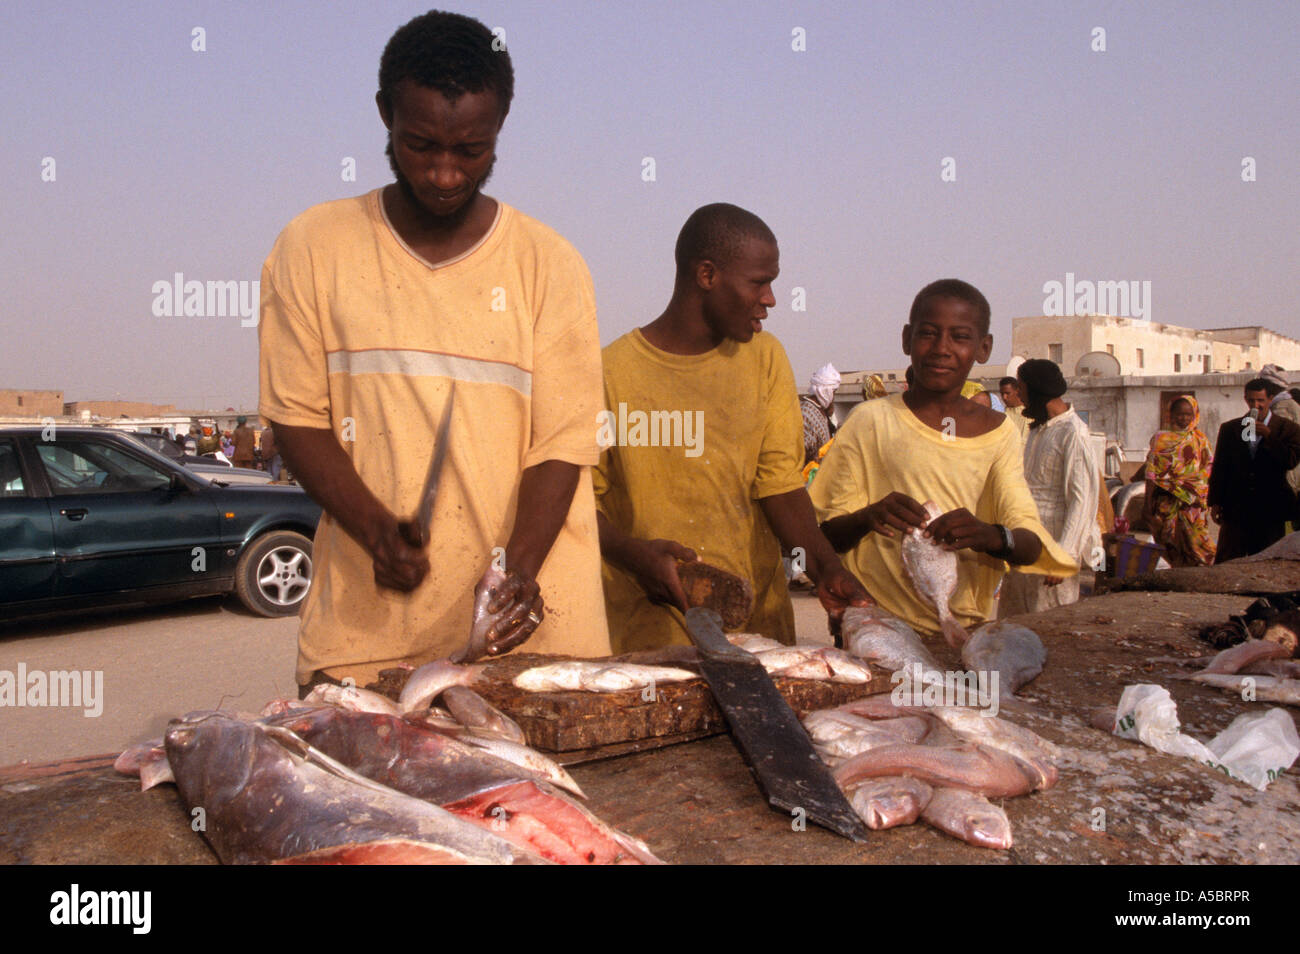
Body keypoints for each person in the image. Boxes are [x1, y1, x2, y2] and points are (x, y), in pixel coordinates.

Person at [258, 11, 609, 690]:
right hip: (367, 642)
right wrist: (375, 530)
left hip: (538, 643)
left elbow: (563, 446)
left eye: (471, 151)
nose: (445, 174)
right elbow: (296, 420)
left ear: (501, 125)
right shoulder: (314, 245)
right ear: (385, 113)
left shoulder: (551, 264)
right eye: (420, 145)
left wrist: (517, 574)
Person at [594, 203, 870, 651]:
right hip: (651, 637)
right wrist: (634, 557)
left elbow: (779, 484)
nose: (771, 299)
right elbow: (583, 499)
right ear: (707, 275)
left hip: (757, 633)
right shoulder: (610, 372)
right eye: (760, 282)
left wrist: (826, 567)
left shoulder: (766, 358)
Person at [812, 280, 1075, 642]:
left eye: (960, 337)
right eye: (929, 334)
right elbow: (825, 536)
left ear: (983, 348)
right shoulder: (869, 421)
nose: (941, 349)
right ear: (907, 339)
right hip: (875, 626)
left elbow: (1029, 543)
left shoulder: (1000, 433)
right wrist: (867, 516)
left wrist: (988, 536)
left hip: (961, 632)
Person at [999, 359, 1101, 614]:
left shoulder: (1073, 432)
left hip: (1054, 539)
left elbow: (1082, 500)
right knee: (1015, 620)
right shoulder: (1038, 431)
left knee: (1048, 620)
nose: (1019, 395)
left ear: (1037, 390)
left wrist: (1064, 555)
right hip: (1026, 538)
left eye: (1021, 388)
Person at [1208, 378, 1300, 561]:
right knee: (1229, 557)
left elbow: (1290, 461)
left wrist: (1269, 437)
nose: (1256, 405)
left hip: (1270, 507)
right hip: (1237, 507)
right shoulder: (1230, 429)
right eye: (1251, 401)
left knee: (1267, 558)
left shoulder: (1288, 429)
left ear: (1270, 399)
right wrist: (1215, 501)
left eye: (1260, 401)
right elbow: (1221, 466)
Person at [1141, 396, 1215, 566]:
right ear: (1171, 415)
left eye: (1188, 414)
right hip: (1166, 501)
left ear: (1195, 414)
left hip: (1193, 502)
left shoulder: (1200, 440)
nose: (1184, 418)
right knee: (1168, 539)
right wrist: (1147, 503)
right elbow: (1152, 472)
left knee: (1198, 541)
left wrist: (1191, 485)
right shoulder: (1160, 439)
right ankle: (1180, 572)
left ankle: (1205, 572)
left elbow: (1208, 467)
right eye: (1179, 414)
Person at [800, 364, 840, 464]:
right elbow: (799, 452)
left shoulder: (821, 411)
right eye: (833, 393)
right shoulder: (806, 413)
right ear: (826, 391)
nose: (833, 398)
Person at [999, 375, 1029, 442]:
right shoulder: (1002, 416)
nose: (1004, 397)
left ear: (1017, 391)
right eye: (1002, 394)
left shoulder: (1029, 414)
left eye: (1007, 393)